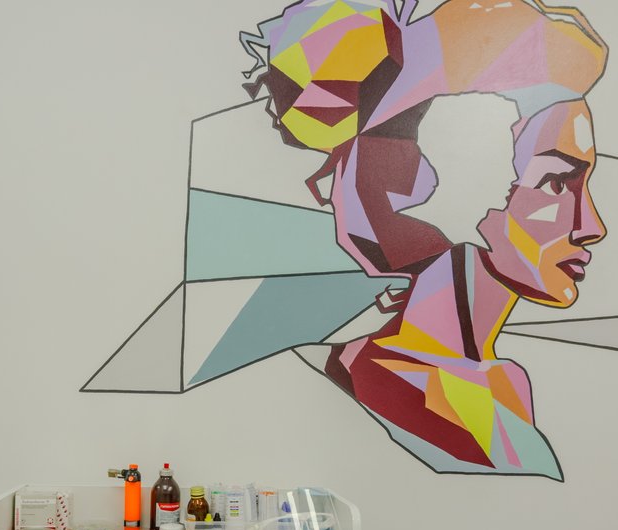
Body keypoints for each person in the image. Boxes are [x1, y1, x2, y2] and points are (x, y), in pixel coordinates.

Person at [241, 0, 608, 478]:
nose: (591, 225)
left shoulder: (506, 384)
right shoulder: (389, 378)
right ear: (453, 184)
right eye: (556, 182)